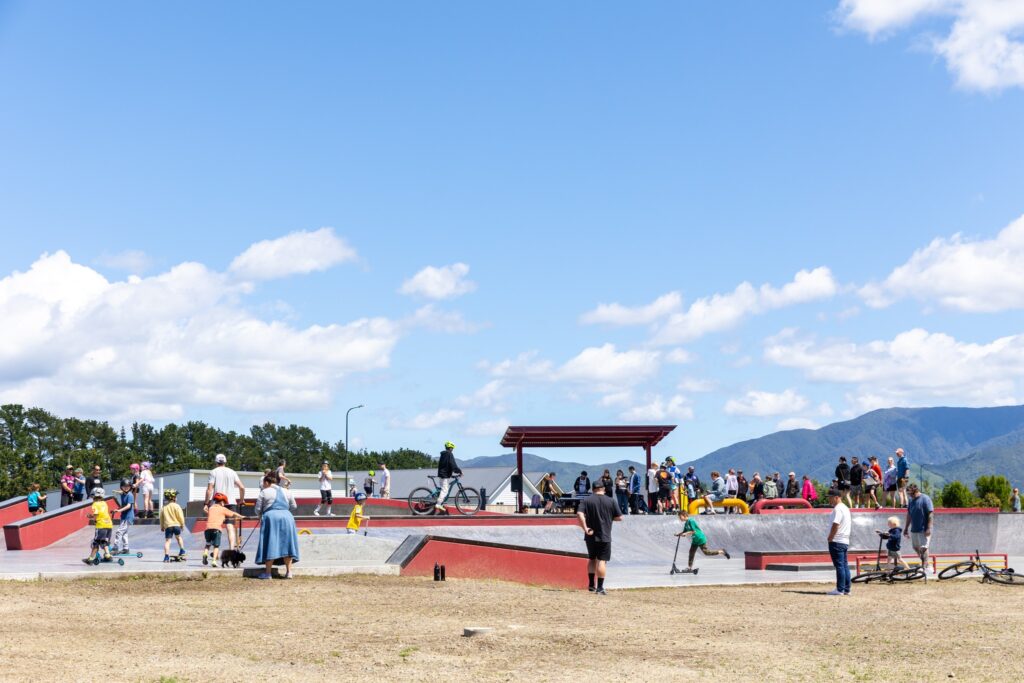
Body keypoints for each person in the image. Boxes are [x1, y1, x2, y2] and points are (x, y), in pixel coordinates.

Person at [576, 478, 622, 595]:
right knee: (602, 560)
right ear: (603, 489)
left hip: (590, 534)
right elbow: (619, 517)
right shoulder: (611, 501)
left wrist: (585, 528)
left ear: (593, 489)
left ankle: (591, 585)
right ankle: (600, 587)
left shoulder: (586, 500)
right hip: (604, 535)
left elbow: (579, 513)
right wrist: (609, 517)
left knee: (592, 559)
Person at [255, 473, 300, 579]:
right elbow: (294, 506)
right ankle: (289, 572)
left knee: (270, 542)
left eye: (263, 483)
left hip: (271, 518)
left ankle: (268, 573)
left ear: (267, 482)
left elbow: (257, 509)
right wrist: (283, 510)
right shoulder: (287, 491)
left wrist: (261, 515)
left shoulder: (264, 492)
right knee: (287, 544)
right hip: (287, 517)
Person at [205, 453, 246, 550]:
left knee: (215, 525)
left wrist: (206, 503)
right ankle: (231, 549)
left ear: (216, 462)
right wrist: (241, 499)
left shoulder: (213, 472)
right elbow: (242, 487)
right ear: (225, 461)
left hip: (218, 503)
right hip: (231, 502)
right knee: (230, 526)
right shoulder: (232, 472)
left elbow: (209, 490)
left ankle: (214, 549)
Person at [204, 493, 244, 566]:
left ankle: (205, 554)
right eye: (224, 503)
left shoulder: (211, 508)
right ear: (222, 502)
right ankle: (214, 561)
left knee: (207, 545)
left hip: (207, 529)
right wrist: (241, 516)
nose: (224, 504)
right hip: (216, 529)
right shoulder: (223, 509)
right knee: (216, 546)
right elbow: (233, 513)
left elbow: (210, 514)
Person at [826, 488, 852, 596]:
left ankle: (840, 589)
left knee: (839, 566)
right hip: (844, 540)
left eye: (830, 498)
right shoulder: (845, 508)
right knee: (844, 565)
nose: (829, 500)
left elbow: (836, 524)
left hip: (837, 540)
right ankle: (846, 589)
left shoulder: (838, 509)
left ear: (836, 497)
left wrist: (830, 537)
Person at [904, 483, 934, 573]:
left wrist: (928, 528)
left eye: (910, 494)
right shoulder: (911, 500)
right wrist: (906, 528)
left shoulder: (925, 499)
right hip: (914, 528)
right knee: (915, 547)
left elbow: (930, 514)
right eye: (908, 494)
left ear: (916, 491)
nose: (910, 496)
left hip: (923, 528)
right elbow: (909, 514)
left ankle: (924, 567)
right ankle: (927, 564)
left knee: (924, 548)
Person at [83, 488, 114, 565]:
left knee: (96, 542)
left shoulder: (95, 504)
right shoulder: (104, 503)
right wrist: (92, 516)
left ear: (93, 496)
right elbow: (102, 513)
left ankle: (90, 559)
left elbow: (96, 514)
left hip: (101, 525)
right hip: (109, 525)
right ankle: (107, 556)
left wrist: (93, 519)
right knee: (104, 541)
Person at [159, 489, 187, 562]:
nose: (176, 498)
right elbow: (181, 516)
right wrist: (182, 524)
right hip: (177, 525)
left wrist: (162, 526)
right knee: (178, 537)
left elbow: (161, 518)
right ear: (173, 497)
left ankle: (166, 556)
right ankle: (182, 550)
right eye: (176, 496)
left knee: (168, 541)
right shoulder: (177, 506)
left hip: (168, 526)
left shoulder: (164, 507)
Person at [435, 441, 462, 515]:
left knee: (442, 489)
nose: (452, 450)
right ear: (450, 448)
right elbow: (453, 464)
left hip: (442, 474)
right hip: (444, 475)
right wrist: (459, 471)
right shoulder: (449, 454)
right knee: (445, 490)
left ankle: (440, 503)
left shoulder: (443, 454)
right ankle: (438, 504)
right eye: (452, 448)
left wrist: (451, 474)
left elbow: (446, 466)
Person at [110, 479, 135, 555]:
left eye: (128, 486)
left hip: (128, 517)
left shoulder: (130, 495)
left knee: (119, 532)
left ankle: (116, 547)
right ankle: (126, 549)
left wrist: (119, 510)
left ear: (130, 487)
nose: (126, 488)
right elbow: (123, 505)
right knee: (124, 533)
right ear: (121, 487)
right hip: (123, 516)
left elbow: (128, 506)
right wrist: (117, 509)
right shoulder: (123, 494)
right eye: (124, 486)